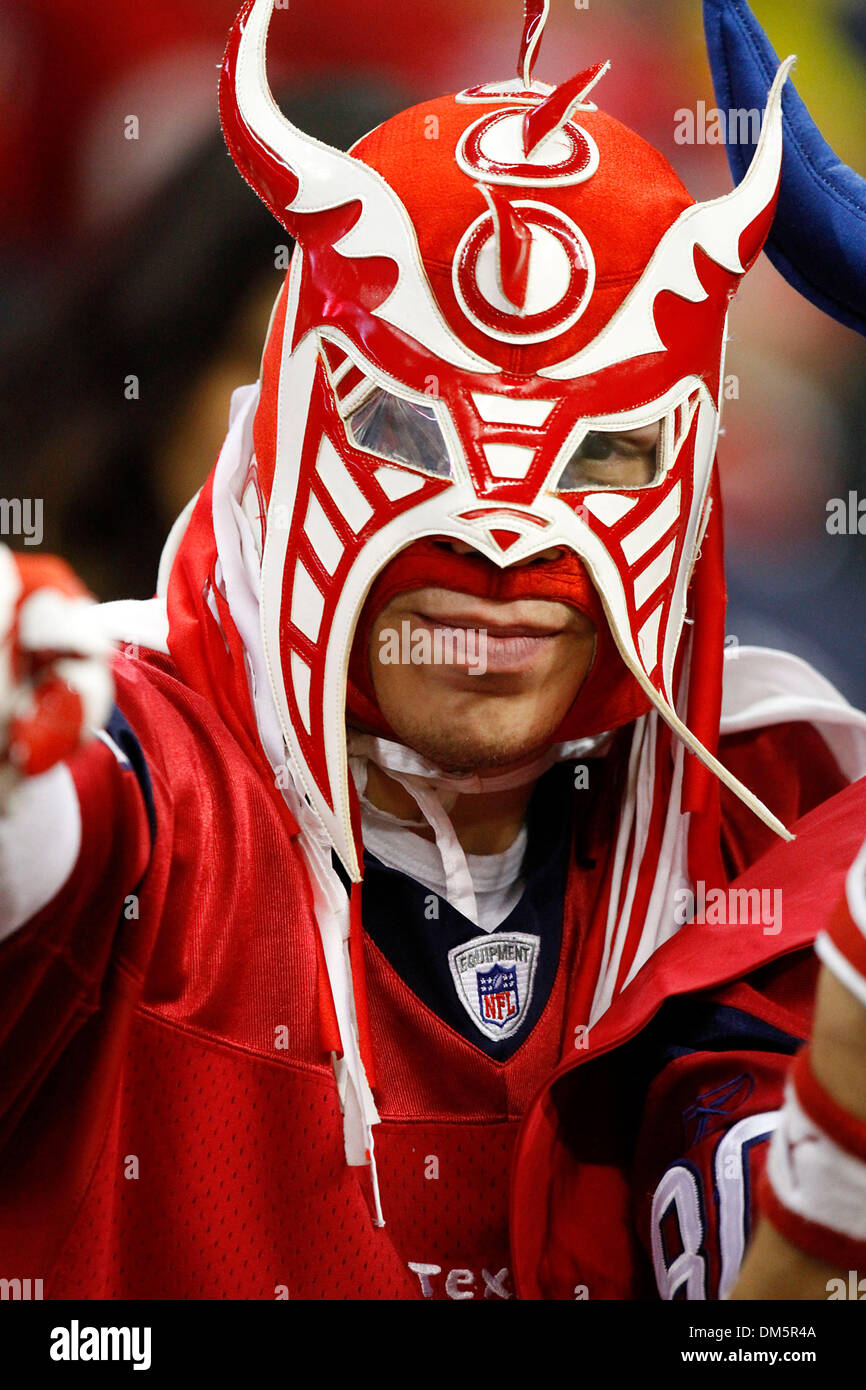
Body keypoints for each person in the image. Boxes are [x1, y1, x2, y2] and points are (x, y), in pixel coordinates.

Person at [1, 0, 865, 1300]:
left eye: (603, 456)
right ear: (279, 426)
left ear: (689, 482)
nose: (508, 544)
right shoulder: (128, 778)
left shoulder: (763, 803)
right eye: (408, 436)